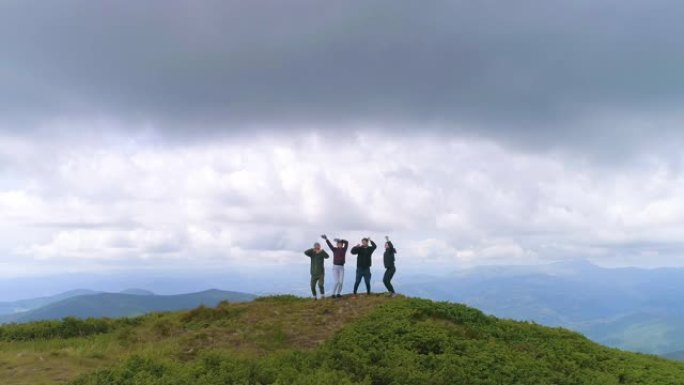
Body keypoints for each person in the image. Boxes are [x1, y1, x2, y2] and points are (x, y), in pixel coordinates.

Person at [322, 234, 348, 298]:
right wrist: (326, 239)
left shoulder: (344, 249)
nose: (339, 244)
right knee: (336, 282)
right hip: (335, 268)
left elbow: (346, 242)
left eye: (341, 244)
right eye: (338, 244)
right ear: (337, 245)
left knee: (341, 282)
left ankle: (338, 294)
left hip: (341, 268)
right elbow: (330, 245)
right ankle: (333, 294)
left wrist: (340, 240)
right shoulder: (334, 249)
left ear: (342, 244)